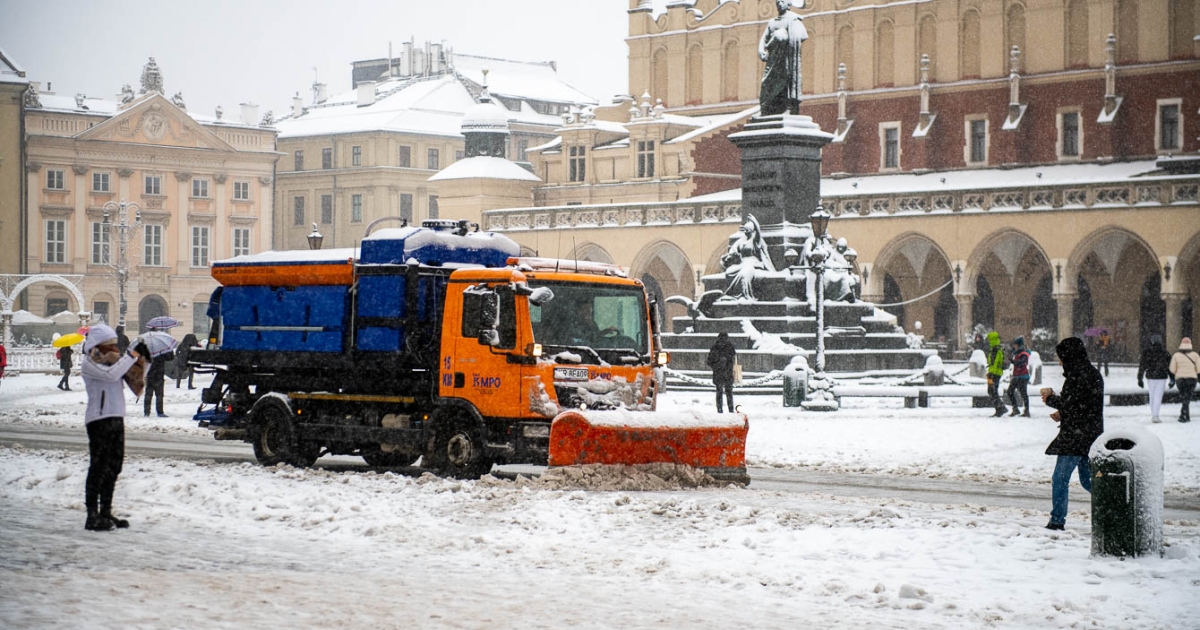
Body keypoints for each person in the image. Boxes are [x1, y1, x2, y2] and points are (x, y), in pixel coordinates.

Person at [81, 323, 143, 531]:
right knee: (98, 466)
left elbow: (130, 375)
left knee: (114, 466)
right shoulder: (90, 362)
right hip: (99, 419)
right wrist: (128, 358)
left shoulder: (114, 362)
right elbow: (110, 376)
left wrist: (141, 363)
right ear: (100, 345)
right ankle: (92, 515)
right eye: (110, 345)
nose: (114, 349)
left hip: (117, 417)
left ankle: (106, 511)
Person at [1041, 337, 1105, 531]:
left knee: (1060, 478)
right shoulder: (1090, 373)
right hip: (1090, 435)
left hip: (1076, 437)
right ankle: (1115, 503)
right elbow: (1082, 406)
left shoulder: (1078, 375)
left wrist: (1050, 397)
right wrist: (1063, 414)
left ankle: (1057, 521)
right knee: (1088, 480)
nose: (1060, 361)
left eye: (1061, 357)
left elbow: (1072, 404)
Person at [757, 0, 808, 116]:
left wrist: (783, 35)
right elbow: (763, 39)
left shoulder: (794, 20)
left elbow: (803, 35)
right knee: (766, 83)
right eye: (777, 1)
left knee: (784, 81)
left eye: (782, 1)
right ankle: (767, 108)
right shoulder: (772, 22)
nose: (779, 3)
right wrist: (761, 51)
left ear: (789, 4)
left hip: (786, 60)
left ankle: (785, 107)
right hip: (773, 60)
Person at [722, 216, 775, 300]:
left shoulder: (755, 240)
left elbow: (758, 234)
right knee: (729, 272)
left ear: (752, 231)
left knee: (744, 273)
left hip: (753, 262)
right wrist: (733, 254)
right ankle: (732, 294)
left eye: (747, 230)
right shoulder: (741, 240)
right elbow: (733, 250)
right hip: (742, 262)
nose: (745, 232)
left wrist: (755, 222)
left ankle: (744, 294)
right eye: (744, 230)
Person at [1137, 335, 1171, 423]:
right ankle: (1155, 415)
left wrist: (1140, 378)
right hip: (1161, 376)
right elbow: (1169, 367)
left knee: (1152, 396)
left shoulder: (1146, 352)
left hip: (1150, 376)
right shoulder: (1165, 353)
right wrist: (1172, 378)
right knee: (1158, 396)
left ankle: (1154, 414)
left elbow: (1142, 366)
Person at [1169, 337, 1200, 423]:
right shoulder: (1195, 355)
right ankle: (1185, 415)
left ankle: (1184, 415)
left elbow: (1172, 369)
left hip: (1180, 379)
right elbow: (1199, 369)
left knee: (1184, 397)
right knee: (1187, 397)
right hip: (1192, 379)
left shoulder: (1176, 356)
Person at [707, 332, 737, 413]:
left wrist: (716, 366)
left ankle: (720, 411)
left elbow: (709, 362)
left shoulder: (715, 347)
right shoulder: (730, 347)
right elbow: (733, 360)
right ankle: (731, 410)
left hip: (719, 373)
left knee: (719, 393)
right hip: (727, 373)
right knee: (729, 393)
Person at [143, 345, 174, 418]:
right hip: (159, 373)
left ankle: (146, 412)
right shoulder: (162, 349)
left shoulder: (147, 349)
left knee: (149, 394)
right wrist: (169, 350)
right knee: (159, 394)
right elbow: (170, 357)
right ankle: (159, 411)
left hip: (150, 373)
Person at [1007, 337, 1031, 417]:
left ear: (1018, 345)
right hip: (1017, 376)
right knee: (1010, 391)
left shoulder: (1024, 354)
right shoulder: (1017, 353)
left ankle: (1026, 410)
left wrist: (1012, 361)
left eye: (1015, 344)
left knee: (1023, 394)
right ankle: (1016, 409)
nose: (1014, 346)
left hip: (1022, 377)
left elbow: (1021, 364)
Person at [985, 331, 1007, 417]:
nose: (988, 341)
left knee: (992, 390)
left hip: (994, 374)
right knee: (992, 391)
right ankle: (1000, 408)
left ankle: (1000, 408)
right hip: (994, 373)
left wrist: (992, 373)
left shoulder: (995, 349)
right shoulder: (995, 348)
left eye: (989, 339)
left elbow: (996, 362)